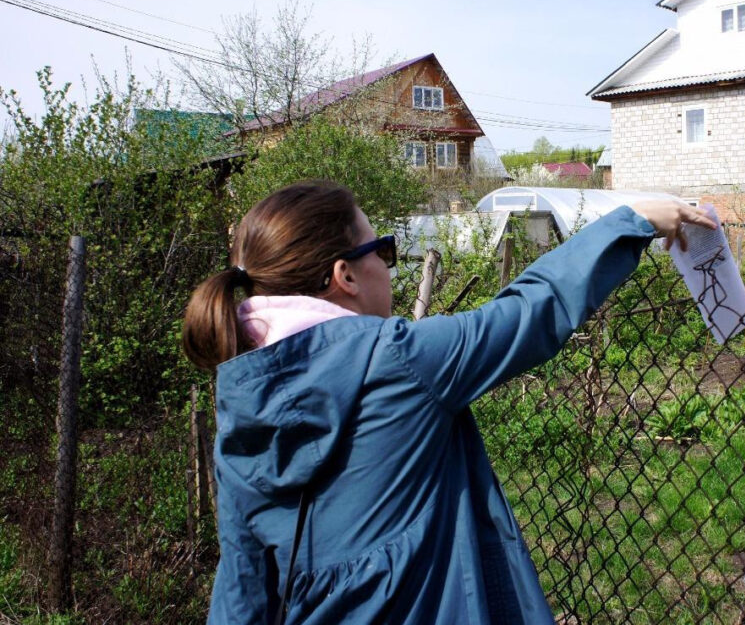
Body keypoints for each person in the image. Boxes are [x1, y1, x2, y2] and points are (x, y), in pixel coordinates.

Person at [182, 180, 713, 625]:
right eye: (382, 251)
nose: (389, 267)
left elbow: (241, 579)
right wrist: (633, 220)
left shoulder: (240, 396)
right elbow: (531, 310)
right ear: (345, 276)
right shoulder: (398, 361)